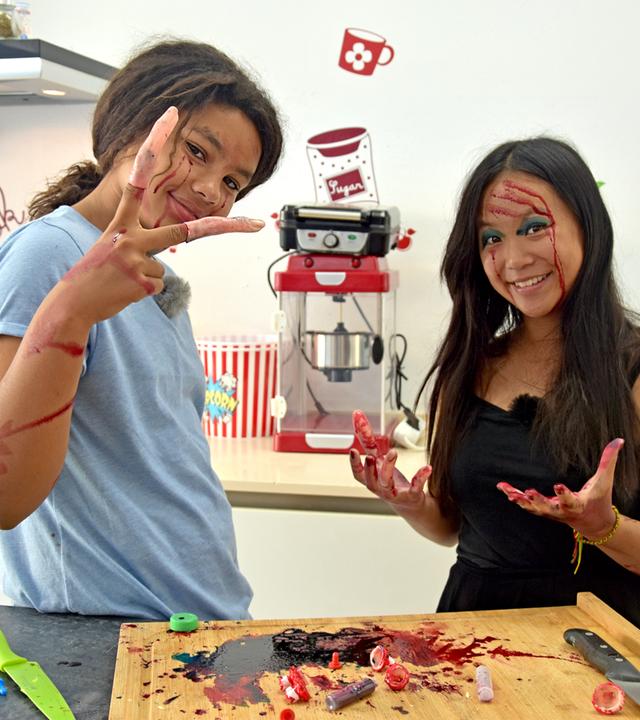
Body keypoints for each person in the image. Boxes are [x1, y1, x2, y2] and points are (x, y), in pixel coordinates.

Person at [0, 39, 283, 619]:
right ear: (131, 125)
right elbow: (5, 496)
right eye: (198, 151)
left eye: (234, 182)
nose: (211, 190)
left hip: (192, 618)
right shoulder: (49, 255)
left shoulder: (150, 276)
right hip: (105, 631)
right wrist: (71, 310)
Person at [350, 137, 640, 627]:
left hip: (598, 644)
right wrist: (409, 501)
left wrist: (602, 526)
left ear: (588, 225)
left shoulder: (631, 369)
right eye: (491, 238)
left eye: (534, 228)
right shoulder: (470, 366)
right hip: (475, 637)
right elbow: (449, 525)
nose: (514, 259)